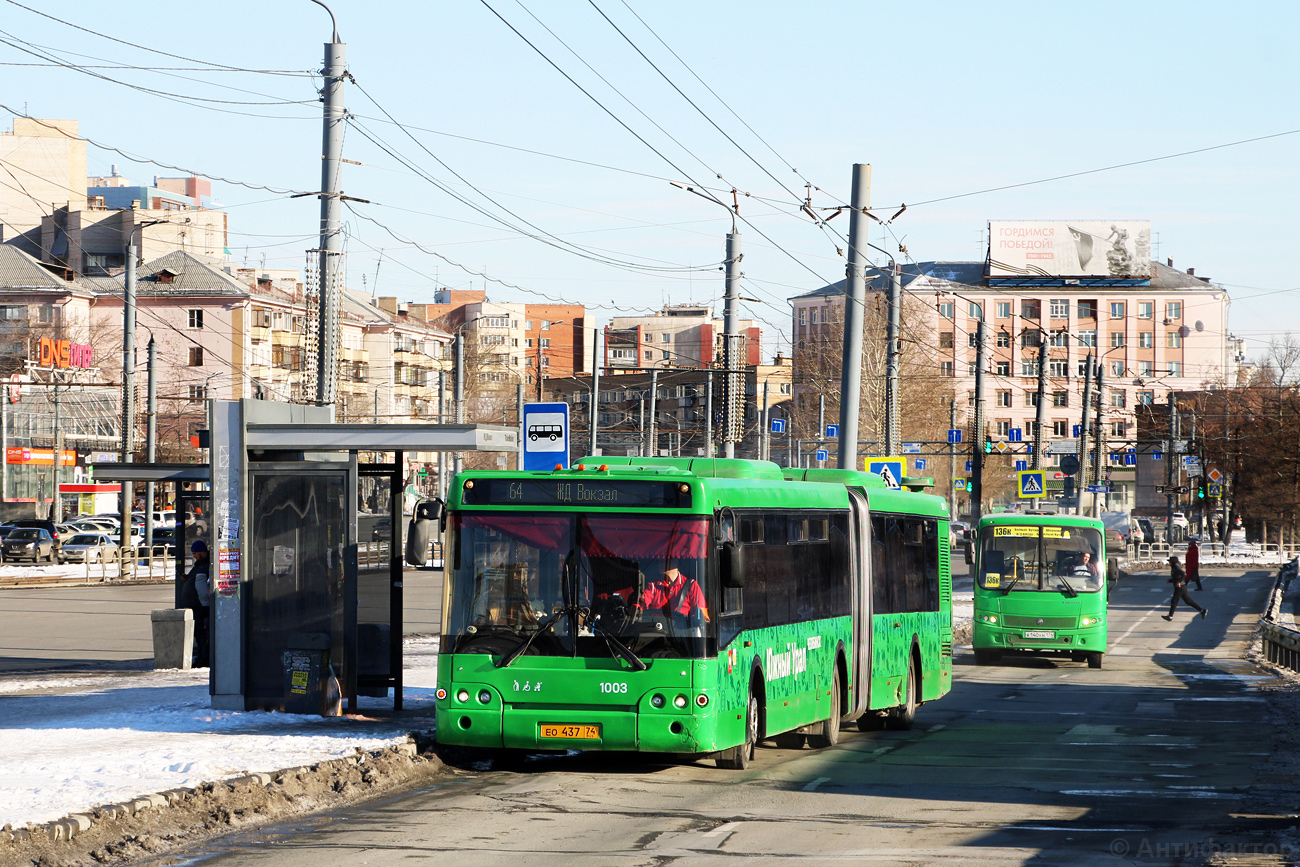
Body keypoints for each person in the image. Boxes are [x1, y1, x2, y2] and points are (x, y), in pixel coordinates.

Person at [179, 540, 212, 667]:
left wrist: (205, 599)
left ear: (203, 552)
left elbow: (203, 586)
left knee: (201, 633)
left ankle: (204, 658)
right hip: (196, 605)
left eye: (196, 553)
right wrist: (187, 579)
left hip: (200, 606)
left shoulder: (205, 565)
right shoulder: (199, 565)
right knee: (198, 634)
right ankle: (201, 657)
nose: (194, 556)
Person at [1162, 555, 1206, 621]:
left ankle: (1170, 616)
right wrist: (1170, 580)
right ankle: (1202, 610)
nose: (1169, 563)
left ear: (1173, 562)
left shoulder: (1176, 567)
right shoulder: (1174, 567)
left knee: (1174, 601)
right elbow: (1176, 577)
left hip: (1180, 587)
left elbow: (1183, 574)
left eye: (1170, 562)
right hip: (1182, 587)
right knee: (1188, 601)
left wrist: (1179, 582)